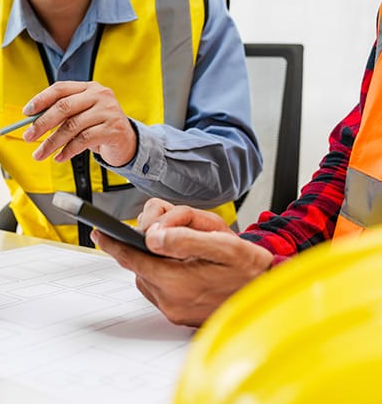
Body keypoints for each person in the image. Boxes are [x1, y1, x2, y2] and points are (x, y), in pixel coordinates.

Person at [0, 0, 261, 247]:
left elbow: (237, 165)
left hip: (189, 265)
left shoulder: (192, 8)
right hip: (49, 287)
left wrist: (134, 146)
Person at [91, 27, 382, 327]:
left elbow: (236, 161)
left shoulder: (195, 5)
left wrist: (272, 284)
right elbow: (346, 178)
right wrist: (243, 257)